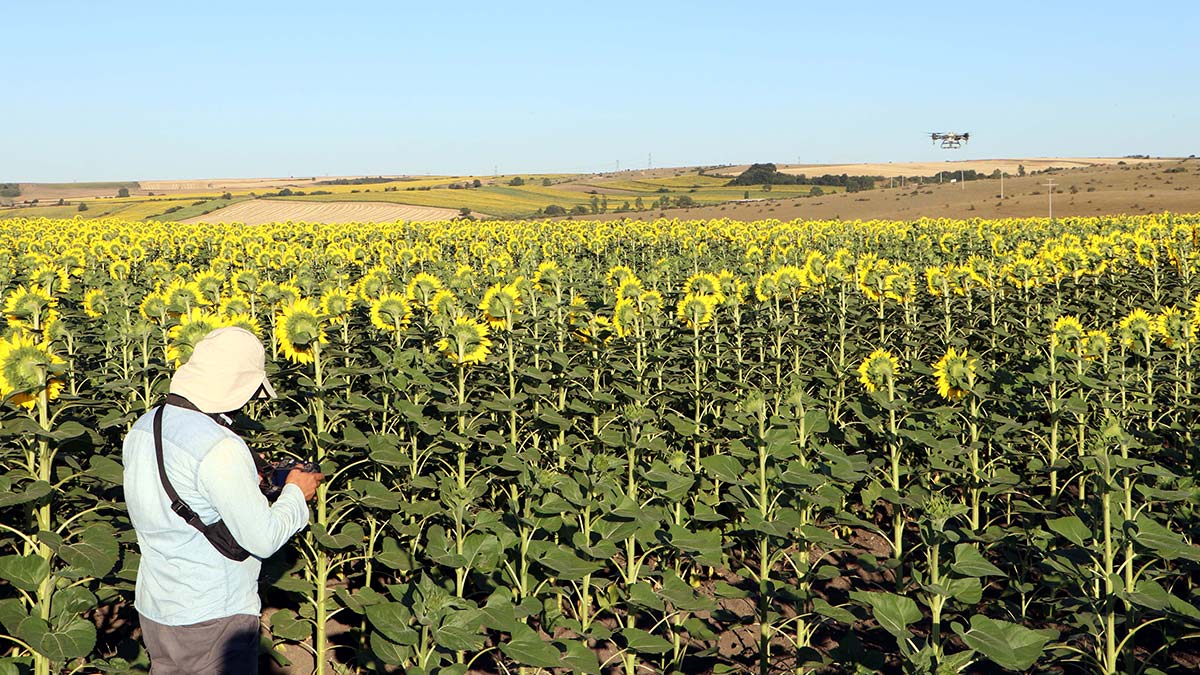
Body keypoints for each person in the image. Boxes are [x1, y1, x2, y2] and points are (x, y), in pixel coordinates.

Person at [123, 326, 324, 674]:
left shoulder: (144, 426)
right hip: (212, 613)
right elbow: (263, 540)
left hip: (157, 608)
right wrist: (296, 492)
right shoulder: (221, 447)